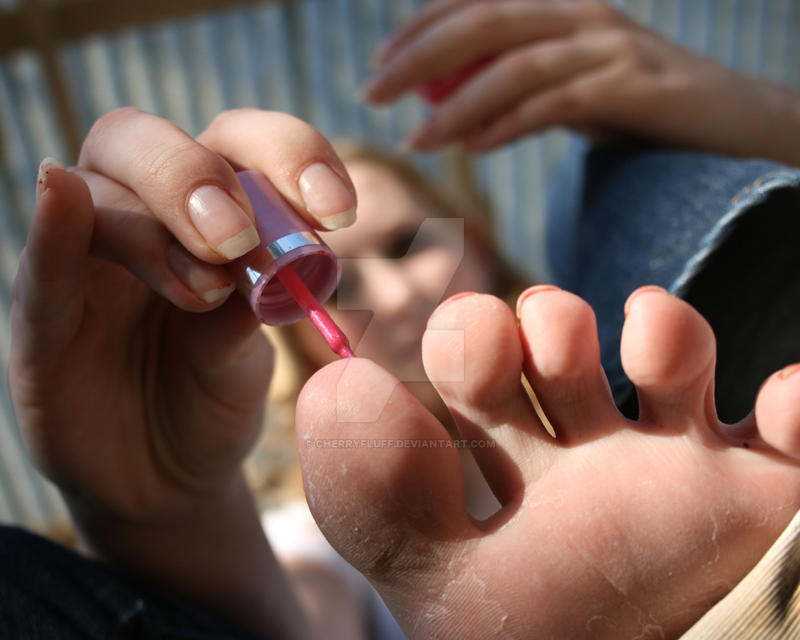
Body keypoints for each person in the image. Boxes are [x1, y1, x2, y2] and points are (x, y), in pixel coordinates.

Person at [4, 4, 800, 640]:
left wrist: (758, 118)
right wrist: (166, 520)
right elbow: (305, 597)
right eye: (339, 279)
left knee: (607, 180)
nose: (389, 297)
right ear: (288, 332)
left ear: (476, 239)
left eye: (406, 244)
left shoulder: (612, 335)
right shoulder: (313, 539)